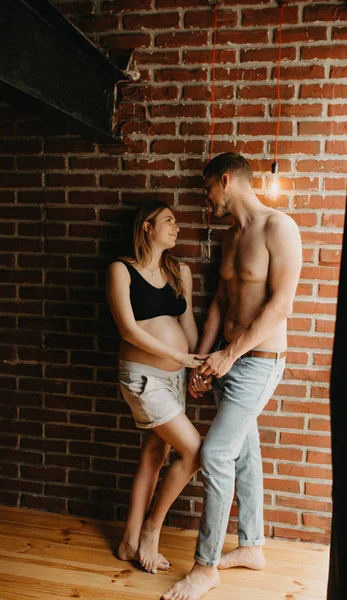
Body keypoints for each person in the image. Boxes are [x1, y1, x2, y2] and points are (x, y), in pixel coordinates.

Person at [163, 152, 302, 600]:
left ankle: (205, 567)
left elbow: (279, 307)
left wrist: (229, 356)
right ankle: (252, 546)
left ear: (226, 181)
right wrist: (202, 364)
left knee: (217, 453)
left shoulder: (279, 228)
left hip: (258, 361)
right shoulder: (229, 237)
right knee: (245, 451)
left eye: (207, 191)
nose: (206, 201)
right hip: (225, 358)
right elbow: (219, 304)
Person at [106, 201, 207, 575]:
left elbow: (189, 324)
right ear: (147, 227)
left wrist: (195, 364)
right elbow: (128, 330)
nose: (176, 227)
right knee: (195, 452)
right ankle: (150, 530)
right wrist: (178, 357)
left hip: (175, 377)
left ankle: (128, 541)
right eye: (168, 221)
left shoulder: (180, 271)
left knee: (154, 454)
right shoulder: (121, 270)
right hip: (143, 377)